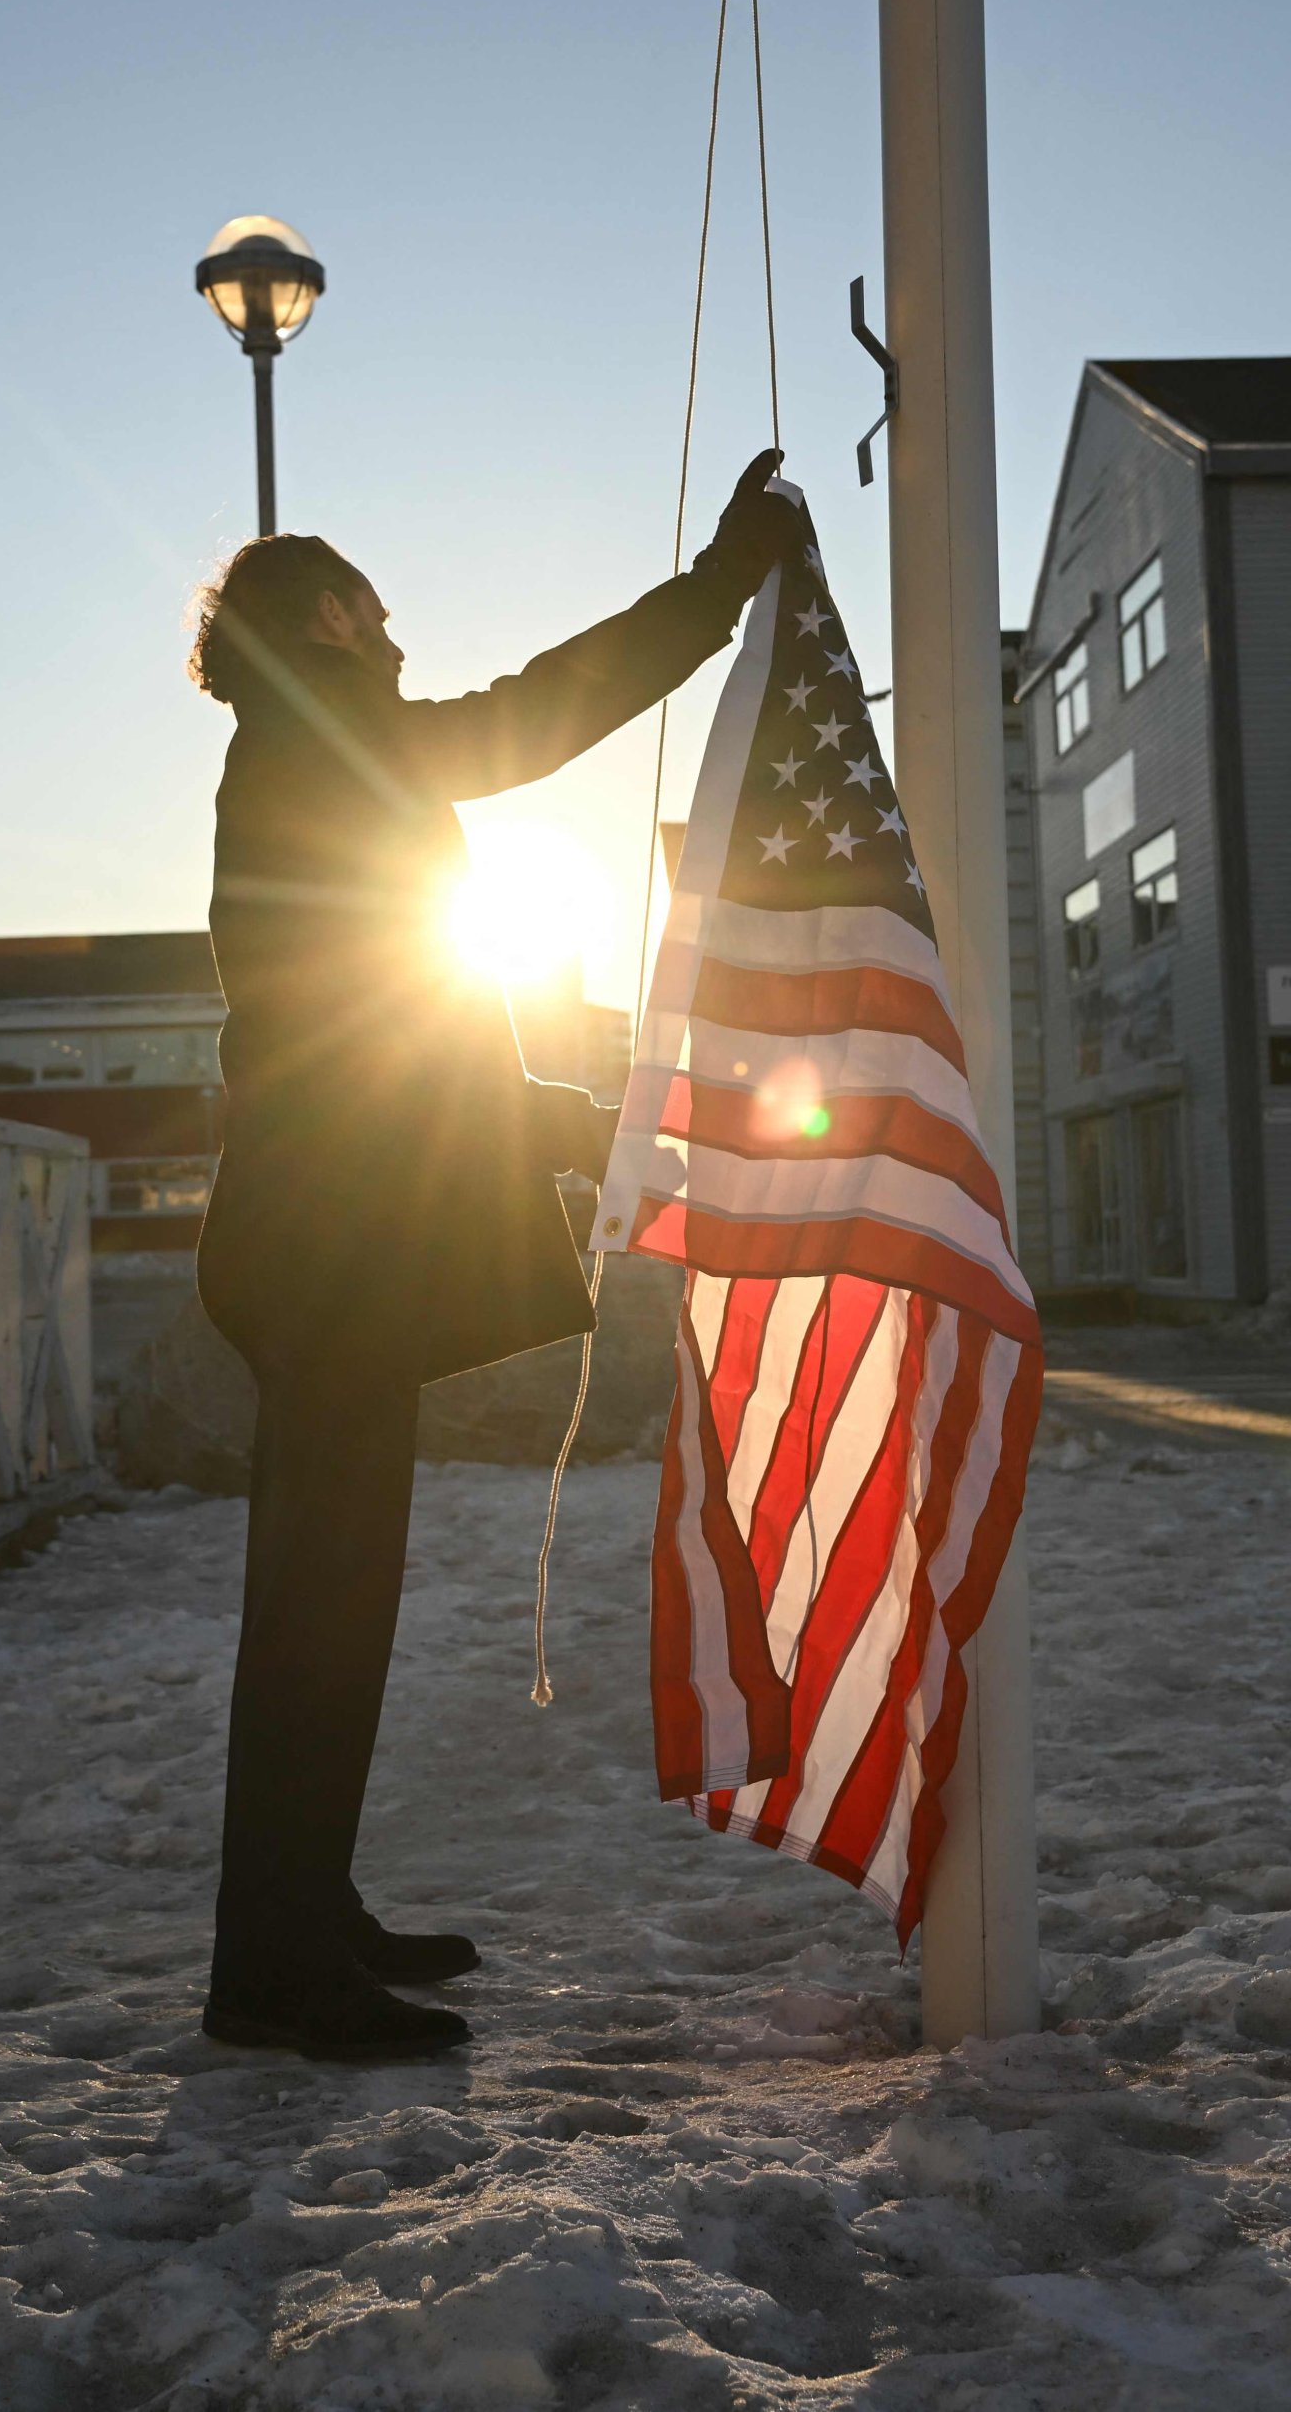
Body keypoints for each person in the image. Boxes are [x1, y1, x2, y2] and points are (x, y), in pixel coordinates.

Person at [190, 449, 808, 2061]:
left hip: (331, 1247)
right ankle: (267, 1968)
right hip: (323, 1259)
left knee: (339, 1603)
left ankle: (302, 1909)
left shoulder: (305, 756)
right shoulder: (325, 739)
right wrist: (721, 579)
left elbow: (378, 1035)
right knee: (317, 1614)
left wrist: (556, 1114)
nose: (393, 626)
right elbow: (541, 711)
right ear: (319, 615)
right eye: (369, 604)